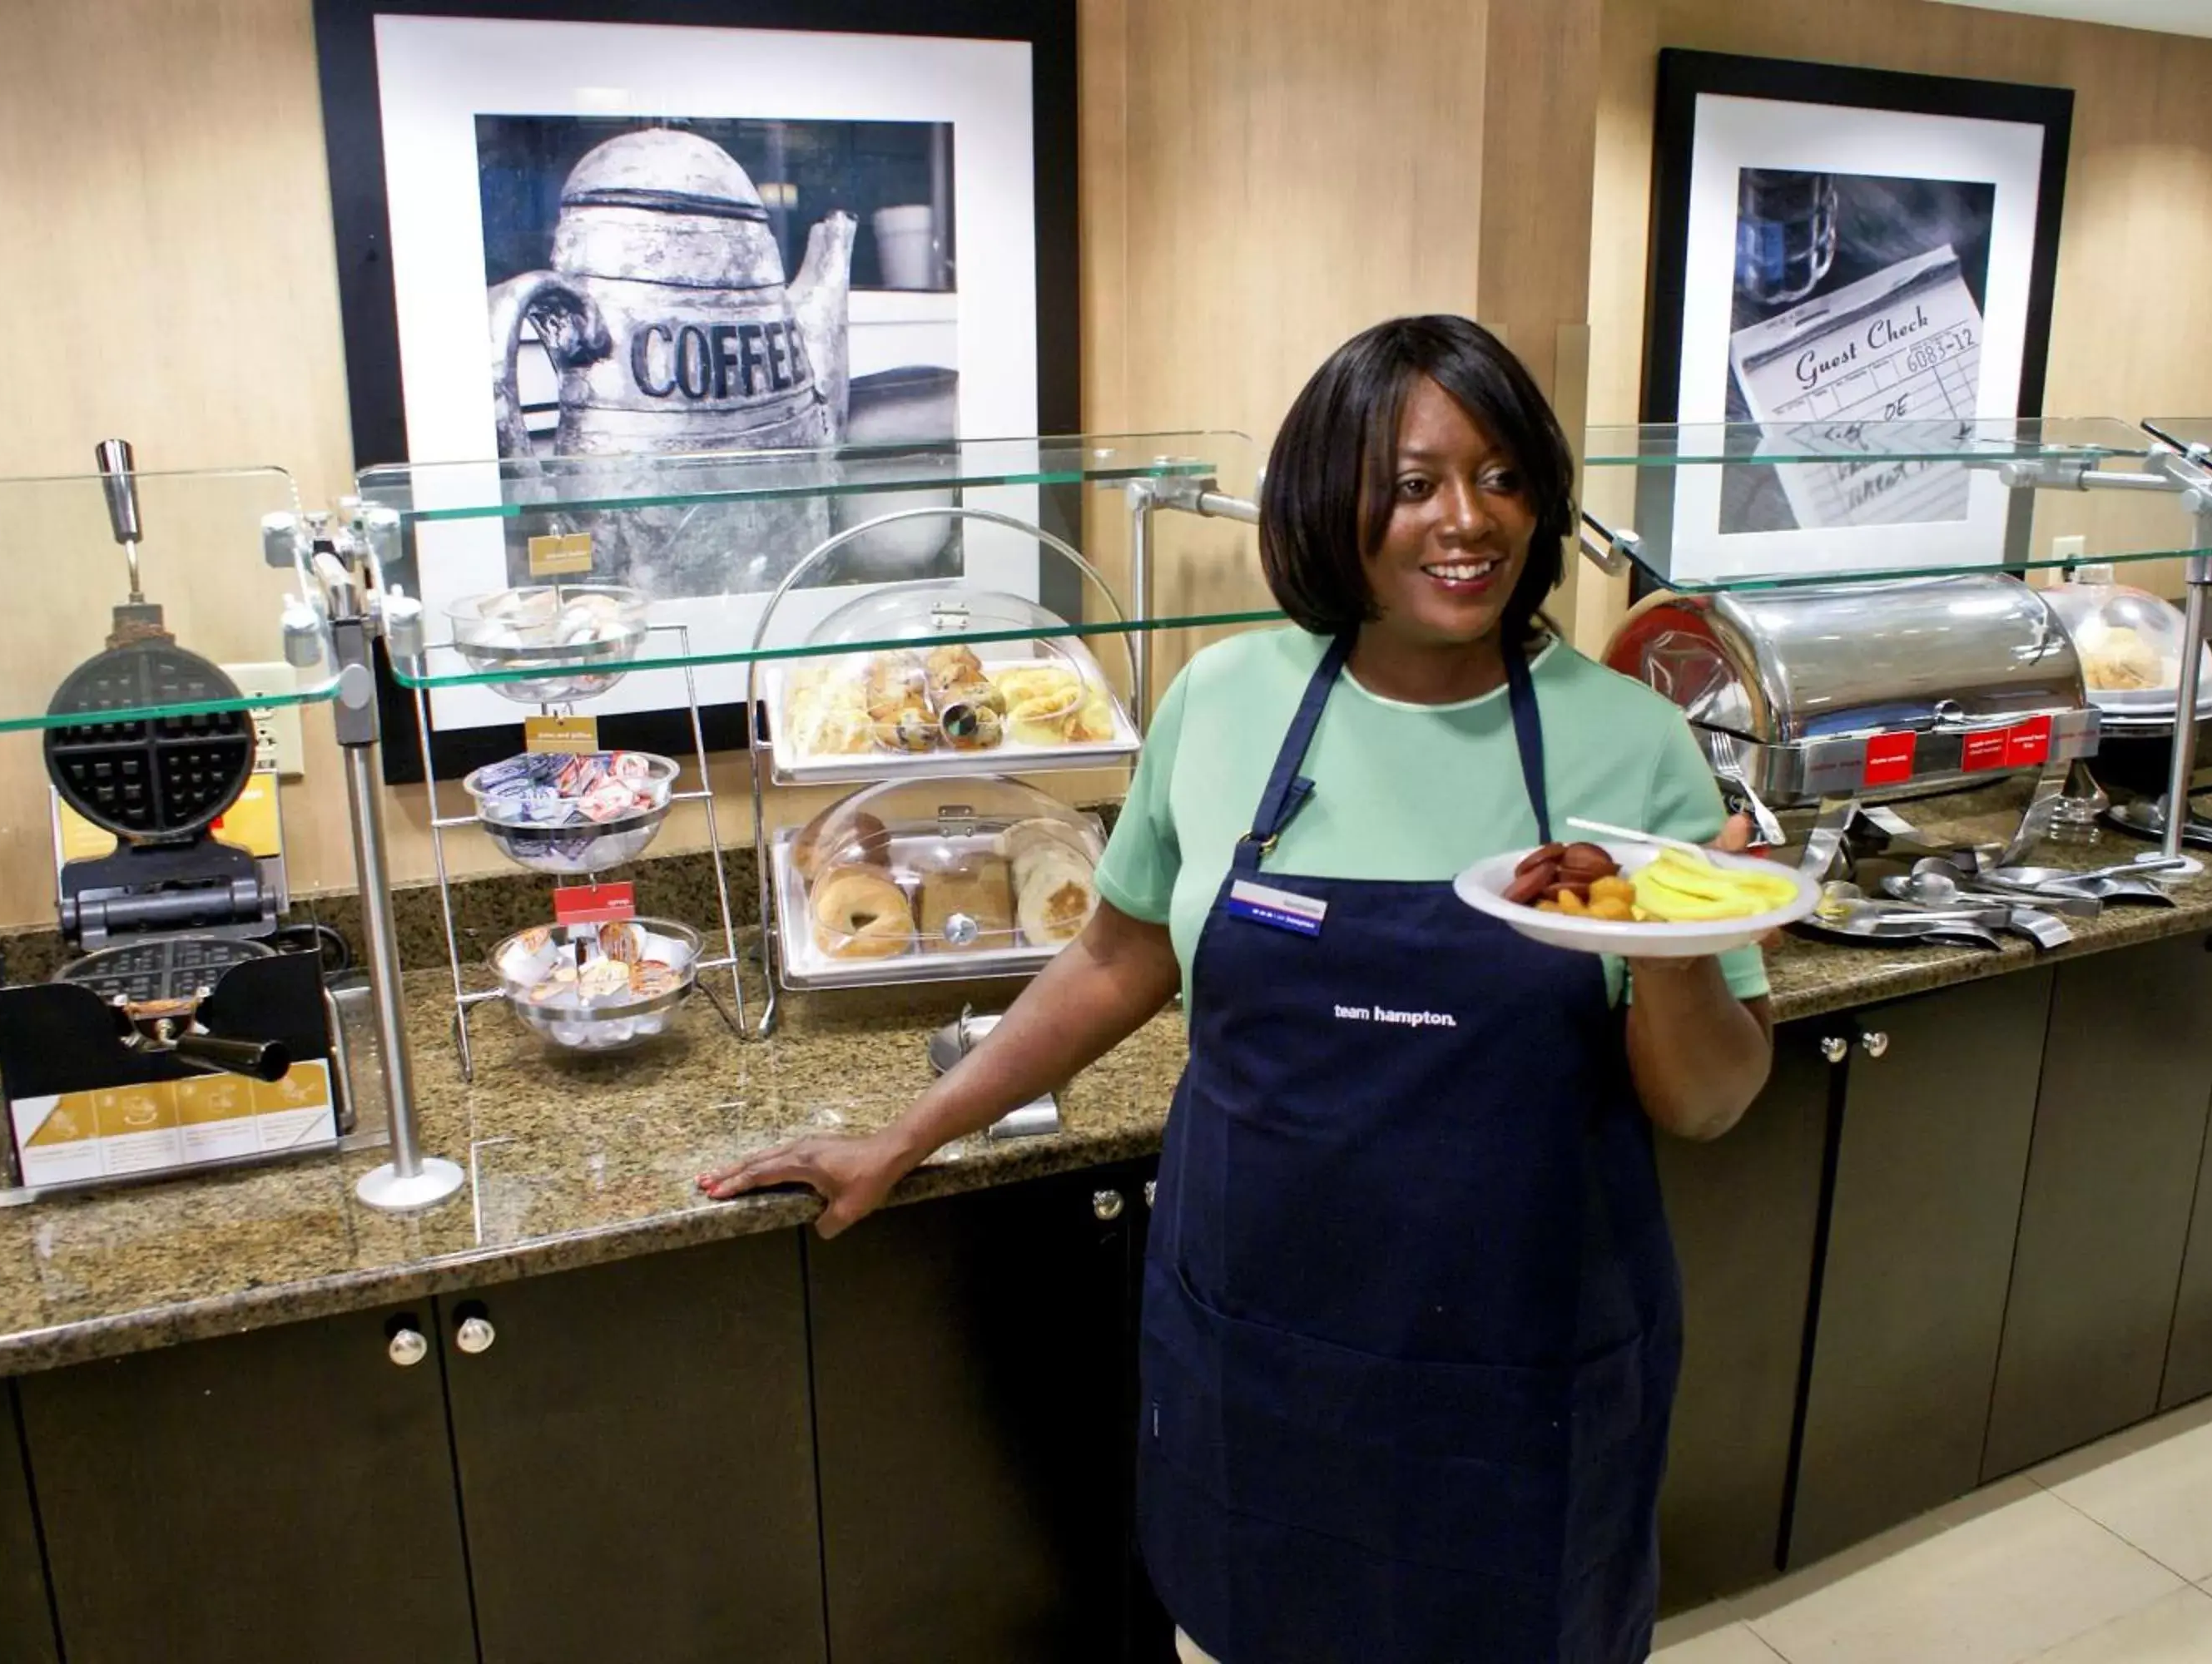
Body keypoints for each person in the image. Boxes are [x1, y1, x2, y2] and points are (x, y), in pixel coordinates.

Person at [700, 314, 1776, 1662]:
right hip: (1270, 1347)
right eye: (1414, 482)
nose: (1469, 521)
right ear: (1335, 501)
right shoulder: (1226, 705)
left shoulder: (1629, 740)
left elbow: (1713, 1102)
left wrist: (1666, 955)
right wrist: (905, 1136)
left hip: (1522, 1369)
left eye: (1504, 478)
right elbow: (1115, 955)